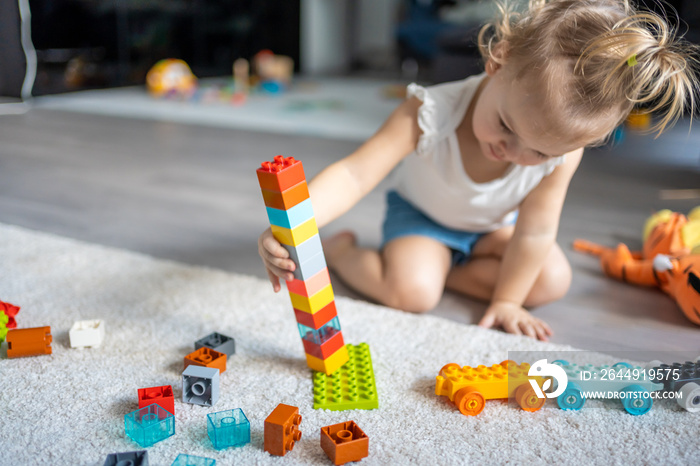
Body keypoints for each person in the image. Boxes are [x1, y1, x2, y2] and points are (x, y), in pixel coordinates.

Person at [258, 0, 698, 340]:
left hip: (492, 231)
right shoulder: (427, 112)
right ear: (499, 59)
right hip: (422, 221)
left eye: (540, 154)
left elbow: (534, 233)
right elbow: (355, 175)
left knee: (552, 279)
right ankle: (344, 254)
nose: (514, 153)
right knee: (412, 296)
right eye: (506, 125)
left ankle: (443, 270)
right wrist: (293, 225)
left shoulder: (564, 152)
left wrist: (508, 301)